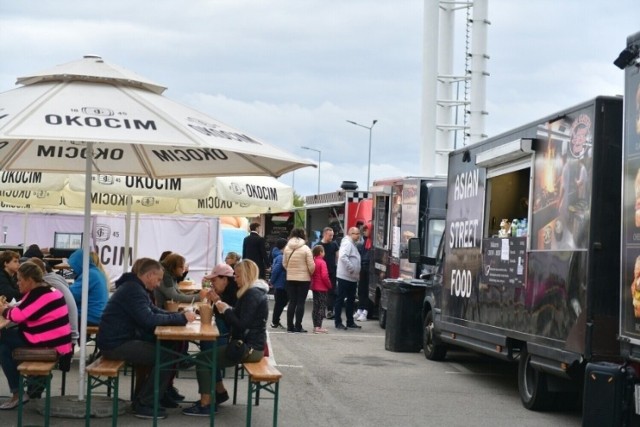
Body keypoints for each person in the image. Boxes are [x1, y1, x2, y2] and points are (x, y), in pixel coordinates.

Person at [97, 258, 197, 420]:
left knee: (168, 350)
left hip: (119, 340)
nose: (158, 284)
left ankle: (149, 397)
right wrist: (180, 318)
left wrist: (178, 316)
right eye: (157, 279)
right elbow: (149, 320)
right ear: (149, 275)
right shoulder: (133, 290)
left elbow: (154, 311)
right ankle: (145, 404)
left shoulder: (134, 287)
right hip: (115, 344)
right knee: (167, 357)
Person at [183, 259, 268, 417]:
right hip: (249, 345)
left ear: (246, 275)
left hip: (249, 348)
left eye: (237, 275)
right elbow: (240, 317)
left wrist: (225, 309)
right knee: (207, 353)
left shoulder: (252, 294)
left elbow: (241, 324)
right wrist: (220, 303)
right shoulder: (251, 292)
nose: (235, 279)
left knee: (203, 360)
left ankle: (206, 404)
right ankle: (215, 395)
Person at [0, 261, 73, 410]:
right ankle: (30, 383)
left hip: (51, 342)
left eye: (20, 279)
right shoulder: (46, 289)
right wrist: (9, 309)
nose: (17, 283)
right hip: (56, 339)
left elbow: (19, 316)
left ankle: (19, 392)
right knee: (3, 347)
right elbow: (24, 310)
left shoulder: (41, 295)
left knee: (3, 340)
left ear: (30, 280)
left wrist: (2, 309)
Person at [30, 257, 80, 346]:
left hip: (64, 338)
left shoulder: (46, 285)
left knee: (8, 338)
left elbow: (29, 312)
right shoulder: (55, 279)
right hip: (71, 333)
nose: (18, 282)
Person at [283, 228, 315, 333]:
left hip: (290, 278)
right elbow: (311, 266)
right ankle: (298, 326)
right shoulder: (306, 248)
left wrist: (290, 270)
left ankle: (289, 326)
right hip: (303, 279)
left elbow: (284, 264)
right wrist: (309, 273)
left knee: (292, 302)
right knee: (301, 302)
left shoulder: (287, 248)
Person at [68, 248, 108, 326]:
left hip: (89, 317)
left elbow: (72, 296)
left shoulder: (88, 274)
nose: (73, 270)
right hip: (97, 316)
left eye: (73, 266)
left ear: (79, 263)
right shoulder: (96, 272)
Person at [335, 227, 362, 330]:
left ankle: (350, 321)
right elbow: (343, 257)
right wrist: (351, 268)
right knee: (340, 299)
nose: (358, 236)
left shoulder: (352, 244)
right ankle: (338, 322)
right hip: (345, 276)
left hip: (351, 277)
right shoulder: (347, 243)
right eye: (356, 233)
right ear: (350, 234)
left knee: (351, 300)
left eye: (359, 233)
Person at [310, 245, 332, 334]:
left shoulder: (313, 261)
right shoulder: (322, 262)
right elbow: (324, 276)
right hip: (322, 287)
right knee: (321, 307)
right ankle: (319, 326)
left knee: (315, 306)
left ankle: (315, 326)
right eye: (323, 251)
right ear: (320, 252)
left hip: (314, 286)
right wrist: (329, 285)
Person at [320, 227, 339, 319]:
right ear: (324, 234)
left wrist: (337, 266)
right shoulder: (319, 246)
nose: (331, 237)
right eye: (329, 235)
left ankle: (330, 310)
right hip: (321, 272)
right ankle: (322, 310)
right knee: (322, 291)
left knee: (331, 291)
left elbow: (337, 256)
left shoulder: (334, 244)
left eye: (332, 235)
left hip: (332, 271)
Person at [269, 238, 288, 329]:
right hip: (281, 283)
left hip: (279, 283)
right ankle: (274, 321)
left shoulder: (278, 255)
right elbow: (276, 270)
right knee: (281, 302)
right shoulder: (281, 257)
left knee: (280, 302)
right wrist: (271, 281)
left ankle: (276, 321)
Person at [355, 224, 372, 322]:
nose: (364, 232)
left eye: (366, 230)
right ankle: (360, 309)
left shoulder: (371, 243)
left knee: (366, 290)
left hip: (368, 268)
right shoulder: (364, 241)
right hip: (363, 267)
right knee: (361, 290)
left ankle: (365, 310)